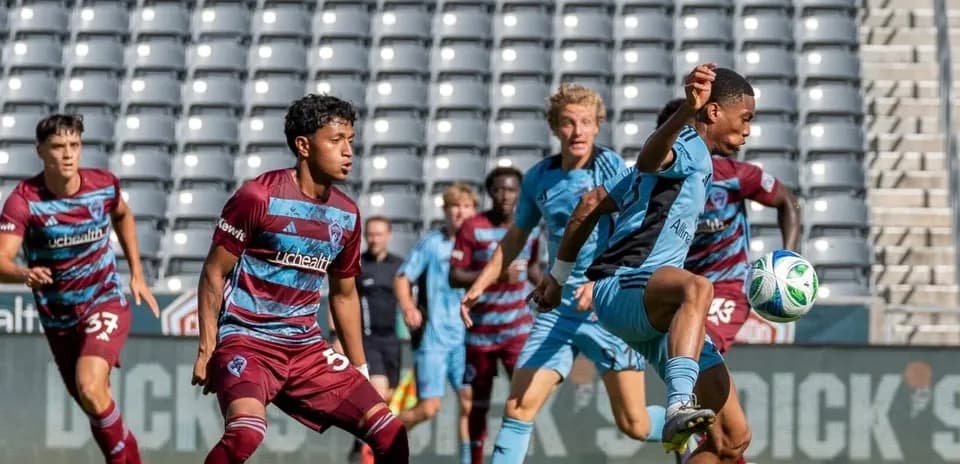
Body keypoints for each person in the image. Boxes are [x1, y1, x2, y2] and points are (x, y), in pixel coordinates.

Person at [529, 64, 755, 462]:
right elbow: (653, 158)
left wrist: (557, 278)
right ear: (715, 112)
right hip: (624, 285)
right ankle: (678, 404)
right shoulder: (688, 145)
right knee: (698, 286)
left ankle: (683, 416)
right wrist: (686, 111)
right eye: (746, 118)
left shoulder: (672, 169)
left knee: (732, 438)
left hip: (655, 316)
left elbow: (591, 204)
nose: (749, 130)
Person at [190, 94, 408, 464]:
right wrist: (207, 347)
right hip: (248, 342)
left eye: (351, 141)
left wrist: (359, 370)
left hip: (306, 348)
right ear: (304, 145)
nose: (348, 152)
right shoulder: (258, 196)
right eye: (336, 141)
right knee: (246, 433)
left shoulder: (347, 215)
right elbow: (214, 270)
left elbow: (344, 295)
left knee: (391, 433)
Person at [460, 83, 663, 464]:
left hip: (608, 311)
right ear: (555, 127)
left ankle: (698, 429)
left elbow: (633, 234)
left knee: (634, 424)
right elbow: (515, 237)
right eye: (569, 123)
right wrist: (479, 285)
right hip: (556, 311)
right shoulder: (539, 177)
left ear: (598, 126)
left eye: (586, 122)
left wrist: (601, 281)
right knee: (519, 407)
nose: (578, 131)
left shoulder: (612, 168)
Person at [0, 114, 159, 464]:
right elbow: (1, 261)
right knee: (94, 402)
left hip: (104, 302)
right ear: (40, 152)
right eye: (58, 147)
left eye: (74, 145)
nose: (68, 154)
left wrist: (136, 273)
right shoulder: (24, 201)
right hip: (60, 320)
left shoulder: (104, 186)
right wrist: (22, 273)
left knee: (90, 386)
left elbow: (123, 215)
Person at [656, 98, 802, 355]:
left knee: (700, 349)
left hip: (726, 286)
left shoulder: (734, 176)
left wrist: (787, 258)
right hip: (678, 284)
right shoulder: (655, 184)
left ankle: (683, 396)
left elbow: (787, 201)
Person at [451, 167, 541, 464]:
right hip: (481, 334)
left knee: (524, 400)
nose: (506, 196)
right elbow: (455, 275)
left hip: (518, 331)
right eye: (499, 189)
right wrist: (494, 274)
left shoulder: (532, 226)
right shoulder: (472, 227)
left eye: (512, 189)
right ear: (490, 193)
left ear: (520, 192)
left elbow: (534, 271)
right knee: (478, 404)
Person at [395, 183, 478, 464]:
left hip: (467, 339)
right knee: (429, 408)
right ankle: (381, 437)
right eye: (455, 206)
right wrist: (408, 306)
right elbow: (402, 277)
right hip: (434, 337)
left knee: (471, 404)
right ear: (445, 211)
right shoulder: (433, 243)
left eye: (466, 206)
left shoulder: (481, 245)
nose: (460, 212)